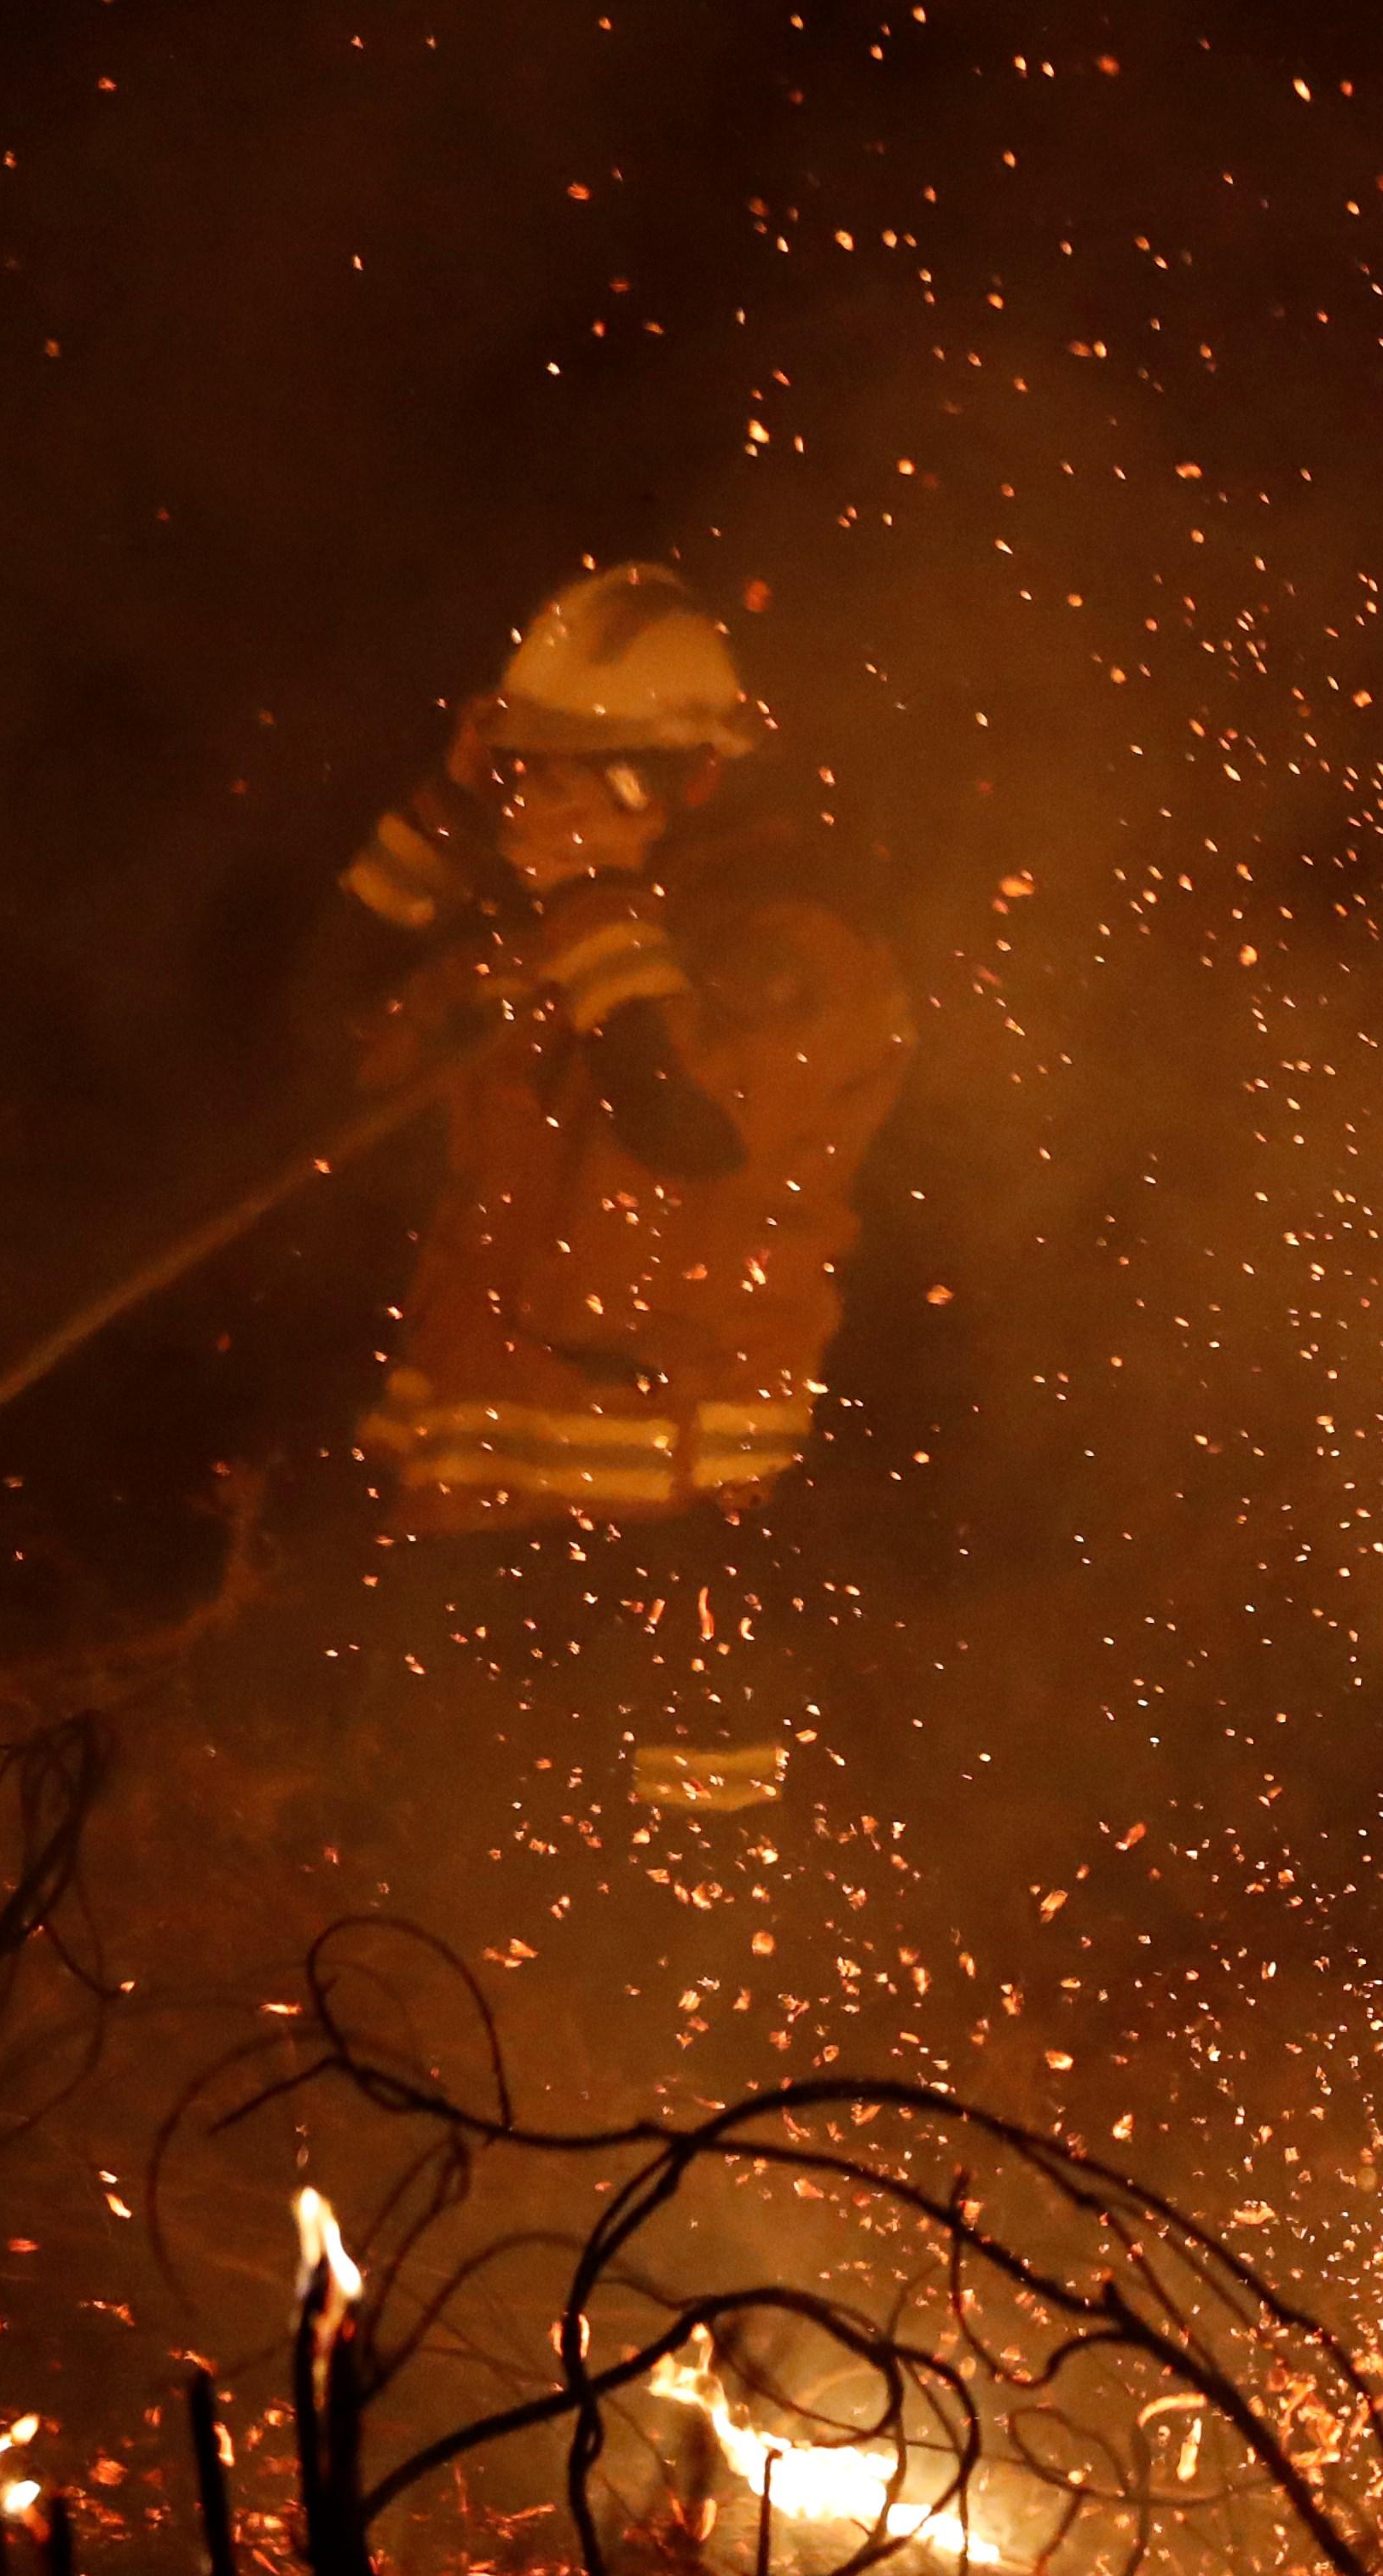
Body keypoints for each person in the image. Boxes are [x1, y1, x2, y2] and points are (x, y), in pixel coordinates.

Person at [305, 562, 909, 1814]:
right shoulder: (570, 937)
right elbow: (329, 1029)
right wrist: (447, 813)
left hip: (683, 1532)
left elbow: (683, 1122)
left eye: (591, 766)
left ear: (696, 776)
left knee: (663, 1915)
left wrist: (590, 893)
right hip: (478, 1510)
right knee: (441, 1874)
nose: (557, 799)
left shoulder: (799, 948)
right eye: (537, 766)